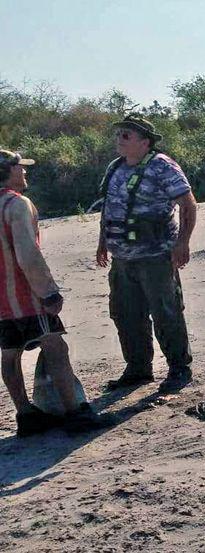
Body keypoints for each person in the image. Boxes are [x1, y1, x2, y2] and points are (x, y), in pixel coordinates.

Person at [0, 150, 109, 436]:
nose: (24, 172)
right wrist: (48, 292)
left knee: (10, 354)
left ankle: (26, 414)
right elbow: (27, 254)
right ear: (8, 172)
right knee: (55, 347)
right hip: (25, 297)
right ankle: (75, 413)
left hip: (1, 302)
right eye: (19, 168)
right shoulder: (16, 204)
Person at [95, 115, 197, 393]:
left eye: (126, 135)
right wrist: (102, 242)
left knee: (166, 312)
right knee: (126, 314)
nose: (119, 140)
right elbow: (110, 208)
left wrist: (182, 243)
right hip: (122, 258)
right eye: (118, 135)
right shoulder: (115, 168)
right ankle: (138, 368)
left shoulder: (162, 167)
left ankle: (179, 368)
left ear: (145, 141)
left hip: (155, 255)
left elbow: (188, 206)